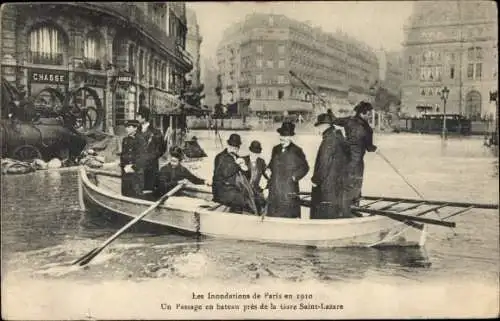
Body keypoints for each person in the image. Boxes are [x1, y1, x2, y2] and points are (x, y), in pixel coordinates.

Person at [331, 102, 377, 210]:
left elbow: (334, 120)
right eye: (369, 113)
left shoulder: (348, 120)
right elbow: (369, 147)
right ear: (364, 113)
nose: (370, 115)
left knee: (345, 181)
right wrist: (374, 148)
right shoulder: (367, 129)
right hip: (357, 161)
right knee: (356, 182)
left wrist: (330, 111)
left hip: (345, 158)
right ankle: (354, 206)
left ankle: (342, 205)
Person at [310, 111, 350, 219]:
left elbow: (324, 164)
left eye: (318, 126)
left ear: (324, 126)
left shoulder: (328, 140)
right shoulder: (339, 137)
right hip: (338, 184)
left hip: (327, 186)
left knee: (323, 214)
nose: (317, 130)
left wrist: (315, 180)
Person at [267, 121, 309, 218]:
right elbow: (271, 164)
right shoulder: (275, 149)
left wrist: (295, 177)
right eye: (281, 135)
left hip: (288, 189)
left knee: (288, 215)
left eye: (285, 136)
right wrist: (268, 169)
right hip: (275, 189)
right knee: (273, 215)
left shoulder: (297, 150)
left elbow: (305, 167)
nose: (282, 138)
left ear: (290, 137)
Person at [212, 133, 256, 213]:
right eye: (232, 146)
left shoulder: (237, 157)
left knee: (252, 196)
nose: (234, 148)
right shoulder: (220, 157)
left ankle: (239, 215)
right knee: (241, 199)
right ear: (228, 145)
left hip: (233, 189)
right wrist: (237, 165)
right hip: (221, 190)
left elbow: (247, 177)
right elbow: (226, 173)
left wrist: (245, 168)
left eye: (236, 147)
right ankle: (236, 218)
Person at [136, 106, 166, 192]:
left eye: (138, 116)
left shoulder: (156, 132)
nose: (137, 118)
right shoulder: (136, 131)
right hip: (138, 165)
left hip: (151, 165)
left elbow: (162, 149)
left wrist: (151, 157)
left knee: (149, 188)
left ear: (144, 117)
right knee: (137, 188)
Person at [120, 119, 146, 198]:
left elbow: (142, 156)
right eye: (126, 127)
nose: (126, 129)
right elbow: (123, 155)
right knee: (125, 193)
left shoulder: (140, 140)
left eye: (129, 127)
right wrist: (123, 166)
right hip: (126, 171)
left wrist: (133, 167)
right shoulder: (125, 140)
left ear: (135, 128)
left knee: (136, 193)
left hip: (136, 172)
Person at [242, 140, 269, 214]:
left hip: (256, 190)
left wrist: (266, 189)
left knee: (265, 203)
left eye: (257, 153)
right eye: (253, 152)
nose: (255, 155)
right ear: (250, 151)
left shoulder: (261, 162)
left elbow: (269, 176)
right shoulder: (243, 160)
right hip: (244, 190)